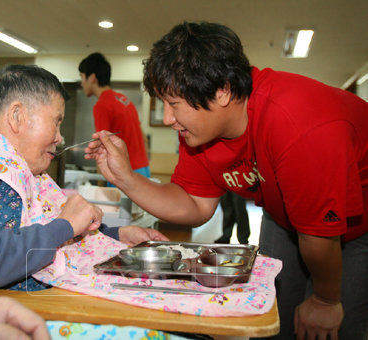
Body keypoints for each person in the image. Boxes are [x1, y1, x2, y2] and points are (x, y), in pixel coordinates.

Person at [85, 22, 368, 340]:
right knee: (274, 319)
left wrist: (325, 299)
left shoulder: (298, 124)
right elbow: (194, 204)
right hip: (287, 215)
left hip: (359, 223)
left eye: (173, 104)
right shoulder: (201, 128)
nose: (167, 119)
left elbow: (319, 235)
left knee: (338, 322)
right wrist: (125, 178)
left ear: (221, 91)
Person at [0, 64, 168, 295]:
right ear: (17, 116)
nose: (60, 138)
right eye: (56, 121)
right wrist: (65, 225)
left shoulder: (21, 170)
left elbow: (42, 228)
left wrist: (116, 235)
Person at [79, 52, 151, 178]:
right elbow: (144, 139)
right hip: (143, 169)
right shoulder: (125, 100)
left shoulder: (102, 105)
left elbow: (102, 147)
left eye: (82, 77)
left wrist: (101, 184)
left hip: (123, 173)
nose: (81, 83)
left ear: (92, 78)